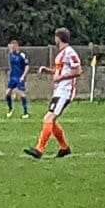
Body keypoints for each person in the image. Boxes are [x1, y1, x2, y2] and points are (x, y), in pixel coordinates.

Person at [24, 28, 81, 160]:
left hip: (65, 92)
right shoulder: (62, 54)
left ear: (58, 38)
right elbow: (60, 71)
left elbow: (78, 70)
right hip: (59, 91)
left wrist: (61, 78)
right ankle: (64, 148)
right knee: (52, 120)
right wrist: (48, 71)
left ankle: (39, 150)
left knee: (48, 119)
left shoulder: (69, 52)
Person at [5, 40, 30, 119]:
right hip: (12, 77)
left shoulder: (22, 55)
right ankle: (10, 109)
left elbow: (27, 66)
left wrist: (23, 76)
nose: (12, 47)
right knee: (7, 93)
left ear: (17, 46)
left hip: (20, 77)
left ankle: (25, 112)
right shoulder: (11, 55)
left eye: (13, 46)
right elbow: (10, 52)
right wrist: (11, 49)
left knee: (22, 94)